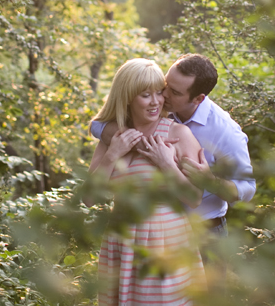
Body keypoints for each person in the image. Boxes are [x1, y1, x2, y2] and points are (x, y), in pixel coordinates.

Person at [91, 54, 256, 236]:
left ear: (197, 99)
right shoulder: (154, 111)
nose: (164, 96)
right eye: (166, 86)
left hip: (203, 229)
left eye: (175, 93)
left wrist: (210, 181)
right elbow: (98, 124)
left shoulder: (224, 131)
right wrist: (139, 145)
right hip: (133, 232)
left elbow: (246, 188)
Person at [87, 58, 206, 306]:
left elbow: (194, 198)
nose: (156, 101)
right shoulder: (113, 137)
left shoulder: (177, 134)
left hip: (164, 241)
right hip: (120, 241)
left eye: (158, 93)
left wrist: (166, 164)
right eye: (145, 95)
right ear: (128, 97)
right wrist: (112, 155)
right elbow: (89, 198)